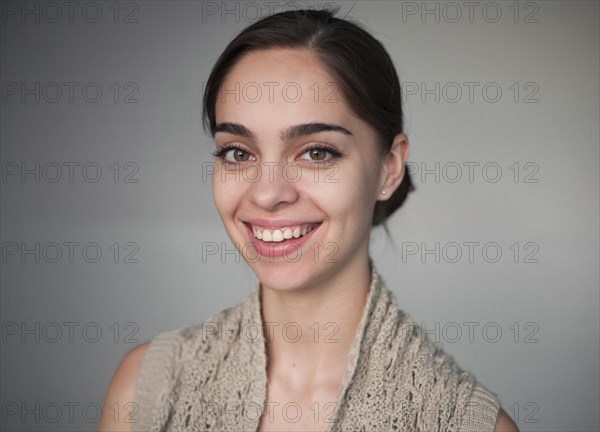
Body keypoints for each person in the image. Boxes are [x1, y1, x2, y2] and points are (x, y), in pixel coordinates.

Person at [99, 8, 518, 432]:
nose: (267, 192)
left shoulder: (466, 424)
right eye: (238, 152)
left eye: (317, 152)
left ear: (389, 168)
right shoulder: (144, 391)